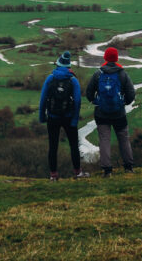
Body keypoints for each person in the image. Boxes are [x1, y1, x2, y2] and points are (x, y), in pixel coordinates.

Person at [86, 46, 136, 177]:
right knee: (124, 138)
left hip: (101, 113)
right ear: (117, 58)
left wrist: (95, 101)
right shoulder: (122, 74)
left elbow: (89, 92)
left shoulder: (98, 74)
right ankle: (129, 167)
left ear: (105, 58)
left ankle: (107, 170)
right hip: (119, 113)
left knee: (104, 140)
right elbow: (131, 93)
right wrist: (125, 103)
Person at [39, 50, 89, 181]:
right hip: (68, 117)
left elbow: (43, 98)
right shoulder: (73, 80)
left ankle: (53, 175)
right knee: (73, 145)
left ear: (58, 64)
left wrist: (42, 116)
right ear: (68, 66)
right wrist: (74, 120)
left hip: (52, 117)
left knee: (53, 146)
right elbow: (77, 101)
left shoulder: (50, 78)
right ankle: (78, 172)